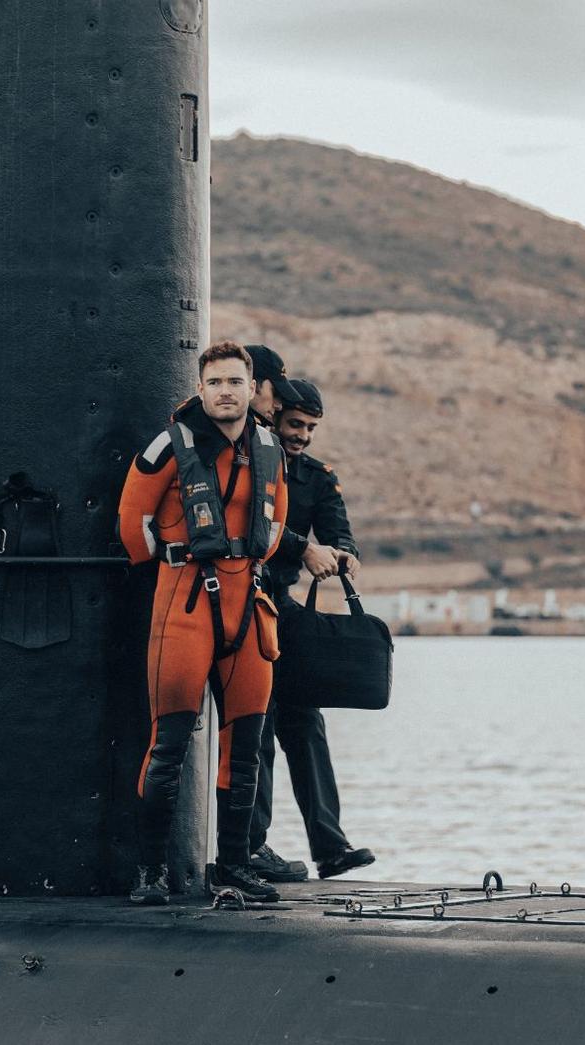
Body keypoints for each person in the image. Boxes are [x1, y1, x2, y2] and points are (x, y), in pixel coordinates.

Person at [117, 340, 290, 905]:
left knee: (245, 744)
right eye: (214, 383)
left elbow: (276, 517)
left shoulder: (268, 447)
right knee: (168, 744)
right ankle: (150, 873)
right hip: (184, 603)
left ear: (250, 388)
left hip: (247, 603)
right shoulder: (170, 445)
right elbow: (132, 523)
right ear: (200, 388)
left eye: (235, 382)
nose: (225, 392)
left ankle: (234, 865)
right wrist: (174, 559)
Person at [246, 376, 377, 882]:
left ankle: (330, 846)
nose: (301, 435)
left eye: (310, 428)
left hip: (284, 611)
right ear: (275, 416)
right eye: (295, 424)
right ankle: (252, 847)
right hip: (243, 606)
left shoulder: (317, 478)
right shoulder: (250, 467)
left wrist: (345, 553)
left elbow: (339, 530)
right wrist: (304, 546)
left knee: (304, 725)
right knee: (255, 729)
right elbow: (251, 528)